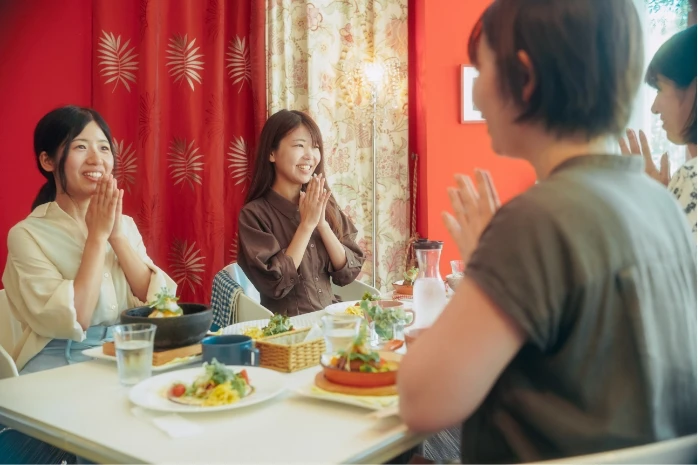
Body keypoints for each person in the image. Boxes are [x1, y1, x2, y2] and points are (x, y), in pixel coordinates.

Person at [397, 1, 697, 463]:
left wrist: (484, 260)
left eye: (482, 72)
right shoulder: (662, 204)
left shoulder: (537, 219)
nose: (476, 97)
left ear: (526, 77)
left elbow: (421, 401)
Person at [2, 106, 175, 374]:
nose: (97, 159)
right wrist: (97, 236)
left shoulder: (124, 225)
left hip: (127, 349)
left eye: (104, 148)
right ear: (48, 161)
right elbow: (77, 318)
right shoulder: (26, 235)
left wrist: (116, 236)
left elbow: (159, 302)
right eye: (80, 147)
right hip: (60, 358)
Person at [237, 109, 364, 316]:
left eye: (315, 147)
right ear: (271, 153)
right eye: (299, 145)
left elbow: (348, 273)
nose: (310, 155)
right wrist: (306, 226)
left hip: (331, 321)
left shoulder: (324, 203)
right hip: (289, 332)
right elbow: (275, 284)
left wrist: (321, 224)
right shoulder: (254, 215)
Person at [619, 25, 697, 240]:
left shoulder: (692, 176)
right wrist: (667, 200)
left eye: (660, 88)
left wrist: (648, 202)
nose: (654, 107)